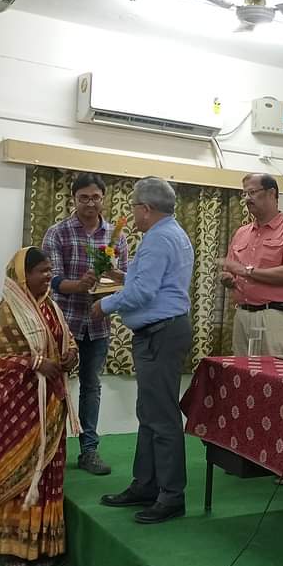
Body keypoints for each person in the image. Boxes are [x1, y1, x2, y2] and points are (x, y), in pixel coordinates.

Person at [93, 177, 193, 524]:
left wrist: (104, 305)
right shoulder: (171, 234)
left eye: (134, 206)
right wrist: (123, 275)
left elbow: (143, 294)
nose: (132, 213)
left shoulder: (157, 239)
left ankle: (171, 496)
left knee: (161, 417)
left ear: (146, 209)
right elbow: (148, 283)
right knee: (149, 412)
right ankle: (146, 484)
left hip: (160, 334)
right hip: (163, 331)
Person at [0, 247, 79, 566]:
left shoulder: (52, 308)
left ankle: (44, 546)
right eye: (42, 271)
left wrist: (70, 357)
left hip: (51, 404)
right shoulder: (5, 312)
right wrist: (36, 363)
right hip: (18, 409)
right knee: (18, 472)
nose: (48, 276)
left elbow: (67, 341)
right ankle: (12, 547)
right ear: (24, 276)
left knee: (48, 472)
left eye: (50, 270)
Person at [43, 173, 129, 476]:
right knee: (55, 385)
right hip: (64, 323)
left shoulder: (116, 235)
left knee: (91, 387)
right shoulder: (58, 232)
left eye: (95, 197)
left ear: (103, 198)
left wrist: (106, 289)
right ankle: (50, 449)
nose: (90, 203)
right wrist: (79, 286)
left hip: (98, 323)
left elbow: (124, 278)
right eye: (83, 198)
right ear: (73, 199)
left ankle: (89, 450)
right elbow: (50, 280)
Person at [218, 173, 283, 357]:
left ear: (271, 193)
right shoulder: (242, 233)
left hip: (275, 317)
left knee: (277, 376)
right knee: (241, 376)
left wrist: (247, 272)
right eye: (244, 194)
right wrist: (228, 278)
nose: (247, 199)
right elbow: (232, 270)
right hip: (243, 315)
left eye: (252, 192)